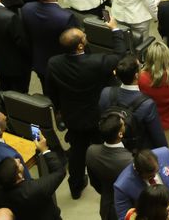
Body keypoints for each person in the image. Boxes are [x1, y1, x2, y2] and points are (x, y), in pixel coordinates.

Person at [47, 21, 128, 198]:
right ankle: (100, 183)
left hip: (72, 115)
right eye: (84, 37)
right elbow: (120, 55)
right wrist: (115, 30)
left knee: (77, 151)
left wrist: (59, 109)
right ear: (81, 45)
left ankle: (75, 187)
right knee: (101, 150)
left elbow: (51, 90)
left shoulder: (54, 63)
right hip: (96, 116)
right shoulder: (97, 62)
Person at [0, 134, 66, 220]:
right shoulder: (35, 189)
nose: (18, 160)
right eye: (18, 164)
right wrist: (44, 150)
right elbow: (59, 172)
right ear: (19, 175)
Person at [113, 148, 169, 220]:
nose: (155, 176)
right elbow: (124, 217)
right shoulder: (122, 186)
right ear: (138, 172)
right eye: (150, 176)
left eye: (157, 171)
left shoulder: (165, 154)